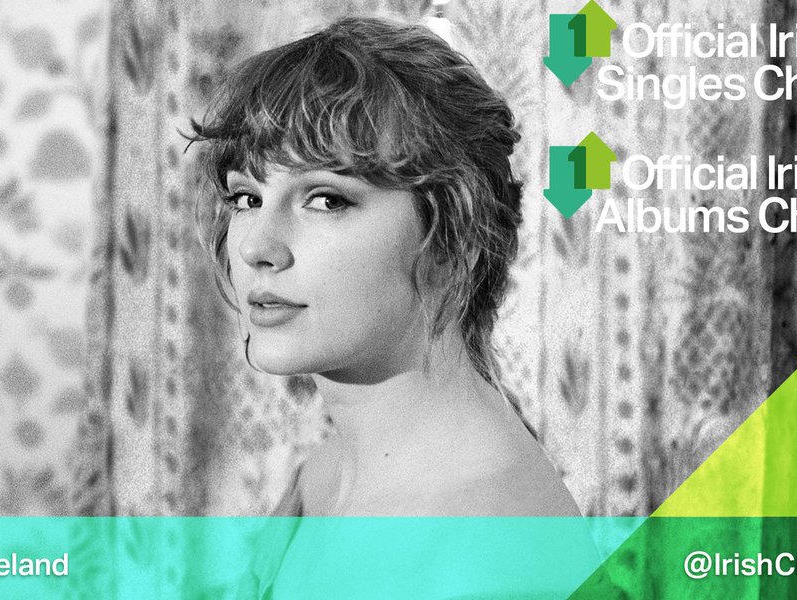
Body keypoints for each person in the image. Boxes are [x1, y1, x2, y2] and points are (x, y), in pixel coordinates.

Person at [190, 15, 597, 598]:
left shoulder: (483, 559)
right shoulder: (325, 478)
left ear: (455, 235)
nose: (257, 247)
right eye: (247, 198)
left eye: (326, 199)